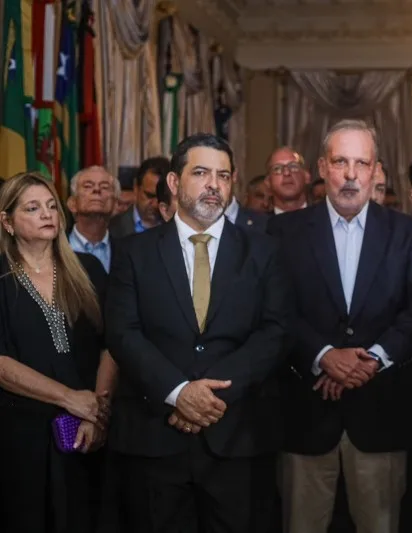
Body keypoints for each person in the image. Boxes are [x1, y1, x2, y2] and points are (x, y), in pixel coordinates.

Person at [105, 134, 290, 533]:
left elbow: (274, 333)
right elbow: (123, 332)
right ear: (174, 183)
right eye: (201, 173)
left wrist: (208, 397)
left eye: (223, 175)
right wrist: (178, 392)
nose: (213, 184)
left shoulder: (264, 251)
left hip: (237, 438)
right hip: (154, 435)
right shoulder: (133, 252)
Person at [268, 119, 412, 533]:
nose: (350, 174)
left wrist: (370, 361)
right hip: (304, 418)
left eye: (360, 163)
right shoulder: (282, 232)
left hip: (381, 417)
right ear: (322, 167)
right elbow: (274, 310)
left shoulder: (409, 233)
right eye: (340, 162)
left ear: (376, 170)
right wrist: (324, 357)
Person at [0, 172, 116, 532]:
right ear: (7, 221)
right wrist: (69, 398)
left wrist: (97, 411)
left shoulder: (88, 269)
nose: (47, 214)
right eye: (32, 208)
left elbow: (111, 345)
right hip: (20, 439)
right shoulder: (2, 279)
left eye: (51, 206)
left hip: (86, 433)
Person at [109, 157, 170, 237]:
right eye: (149, 196)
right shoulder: (112, 228)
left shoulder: (177, 228)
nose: (155, 204)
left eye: (161, 197)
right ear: (136, 187)